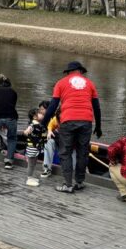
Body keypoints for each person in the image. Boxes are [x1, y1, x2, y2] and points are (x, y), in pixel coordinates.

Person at [42, 61, 101, 193]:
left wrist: (43, 124)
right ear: (81, 71)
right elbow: (96, 107)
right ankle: (79, 182)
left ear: (68, 72)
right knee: (82, 152)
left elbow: (53, 106)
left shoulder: (61, 83)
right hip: (86, 121)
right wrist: (99, 125)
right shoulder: (90, 83)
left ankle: (68, 184)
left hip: (68, 120)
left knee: (65, 152)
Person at [24, 104, 47, 187]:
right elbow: (27, 130)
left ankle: (31, 176)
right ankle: (29, 178)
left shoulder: (39, 124)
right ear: (34, 116)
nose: (41, 114)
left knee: (33, 163)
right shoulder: (33, 125)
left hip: (36, 147)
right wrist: (26, 132)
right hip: (32, 148)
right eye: (39, 113)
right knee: (31, 164)